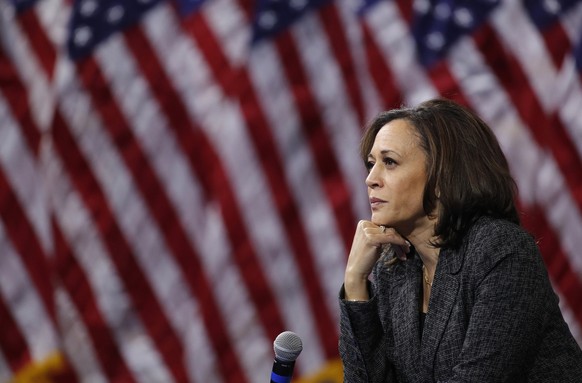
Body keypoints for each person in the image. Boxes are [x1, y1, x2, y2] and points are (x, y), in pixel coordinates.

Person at [338, 98, 582, 382]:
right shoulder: (396, 271)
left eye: (389, 162)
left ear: (442, 176)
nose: (370, 178)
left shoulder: (500, 252)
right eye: (371, 164)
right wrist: (355, 281)